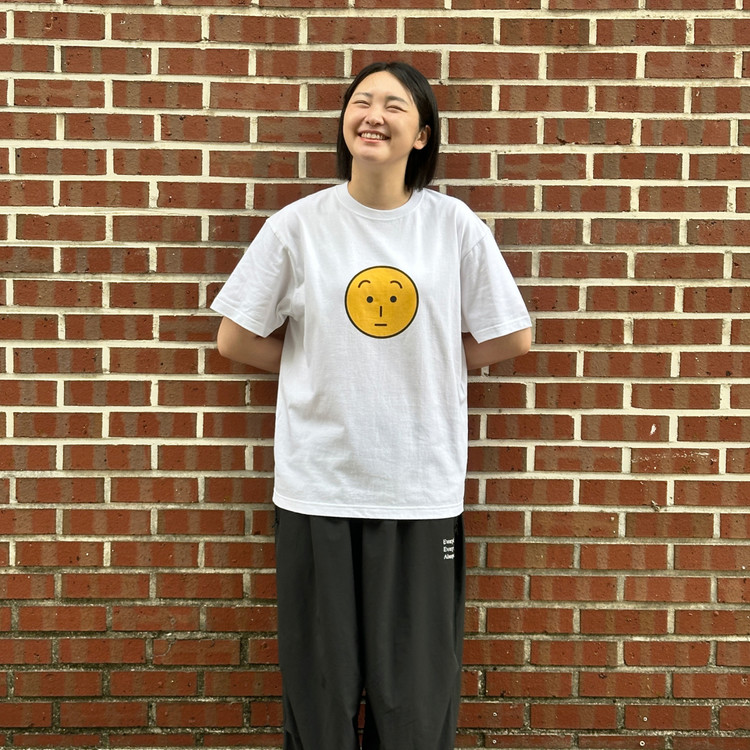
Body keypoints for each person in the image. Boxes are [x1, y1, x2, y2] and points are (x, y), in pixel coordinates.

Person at [211, 61, 532, 750]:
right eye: (361, 101)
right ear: (344, 123)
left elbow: (512, 335)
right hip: (318, 484)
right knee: (320, 693)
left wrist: (435, 358)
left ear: (423, 134)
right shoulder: (299, 226)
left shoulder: (452, 227)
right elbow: (235, 337)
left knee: (415, 696)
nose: (373, 115)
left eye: (394, 105)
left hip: (418, 486)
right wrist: (319, 362)